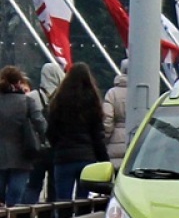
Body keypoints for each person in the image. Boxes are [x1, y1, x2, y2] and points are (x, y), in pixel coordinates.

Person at [45, 62, 107, 202]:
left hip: (63, 157)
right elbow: (98, 135)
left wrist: (58, 147)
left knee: (62, 200)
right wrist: (103, 159)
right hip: (87, 158)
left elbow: (51, 131)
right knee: (83, 200)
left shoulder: (59, 100)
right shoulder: (92, 100)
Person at [0, 65, 47, 206]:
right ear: (19, 82)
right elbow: (41, 124)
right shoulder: (27, 102)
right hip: (23, 155)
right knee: (16, 194)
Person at [22, 62, 63, 204]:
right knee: (54, 186)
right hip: (57, 148)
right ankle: (51, 217)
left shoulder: (32, 97)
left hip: (37, 147)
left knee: (33, 185)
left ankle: (26, 214)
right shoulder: (64, 98)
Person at [102, 59, 129, 169]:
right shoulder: (142, 92)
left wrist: (106, 138)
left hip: (115, 139)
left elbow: (107, 119)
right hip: (137, 138)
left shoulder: (112, 93)